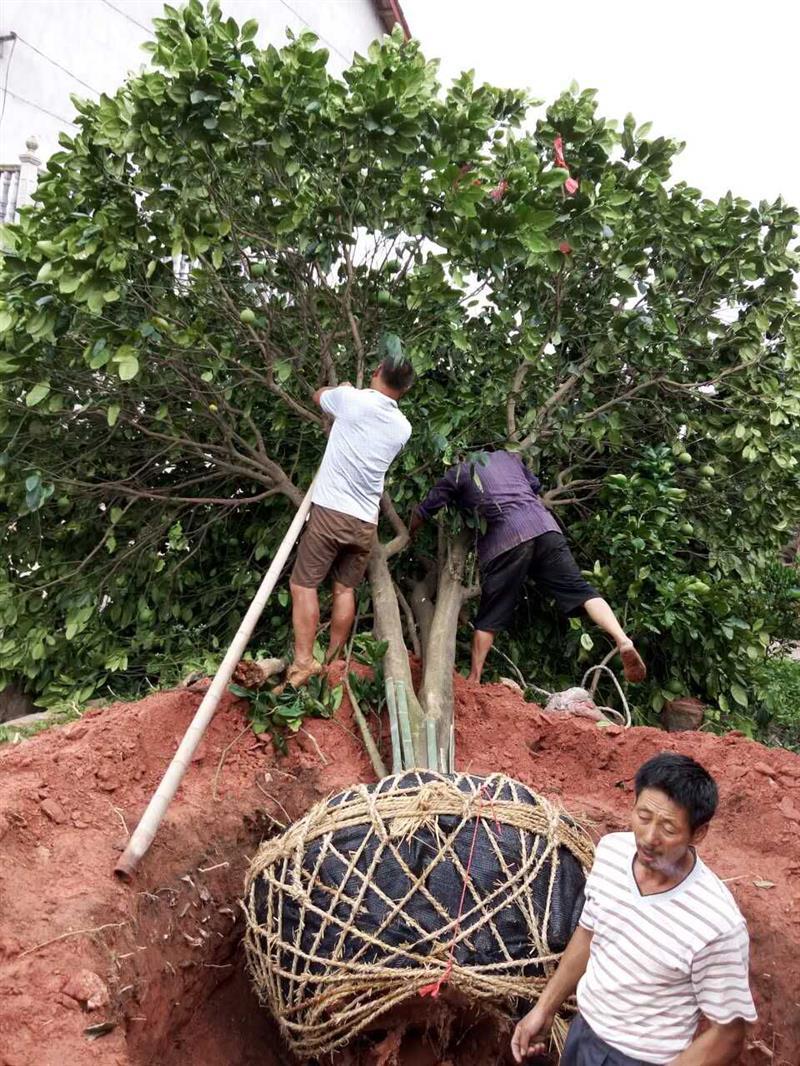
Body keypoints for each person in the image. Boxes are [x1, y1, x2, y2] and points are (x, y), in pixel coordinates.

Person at [511, 752, 757, 1066]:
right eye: (643, 816)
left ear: (698, 833)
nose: (649, 837)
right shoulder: (612, 851)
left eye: (668, 828)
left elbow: (728, 1034)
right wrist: (544, 1009)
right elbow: (589, 934)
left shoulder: (717, 924)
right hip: (582, 1034)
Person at [409, 449, 645, 683]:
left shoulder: (458, 472)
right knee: (582, 591)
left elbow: (424, 510)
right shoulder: (509, 458)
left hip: (506, 539)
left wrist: (409, 533)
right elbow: (535, 487)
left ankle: (475, 677)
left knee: (492, 612)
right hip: (544, 528)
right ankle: (622, 639)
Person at [286, 357, 414, 687]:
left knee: (303, 585)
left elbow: (318, 396)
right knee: (344, 588)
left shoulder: (352, 400)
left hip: (331, 512)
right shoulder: (403, 428)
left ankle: (303, 663)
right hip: (365, 523)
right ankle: (333, 661)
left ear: (376, 373)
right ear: (405, 390)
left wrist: (340, 389)